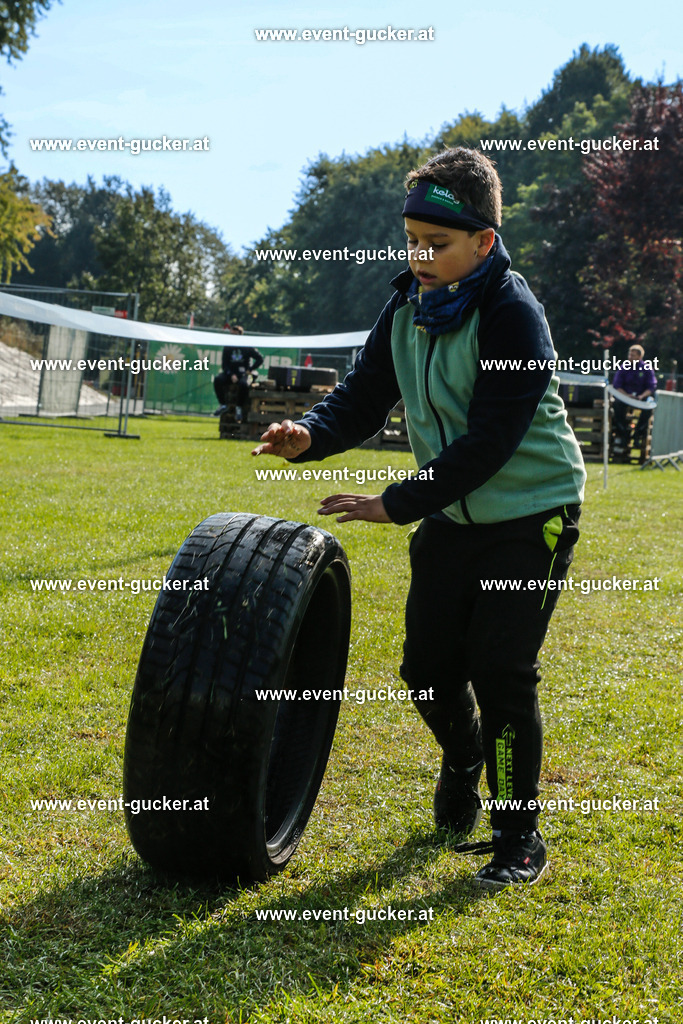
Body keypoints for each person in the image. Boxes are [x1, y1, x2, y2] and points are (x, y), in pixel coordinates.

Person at [252, 147, 586, 889]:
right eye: (411, 241)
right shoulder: (406, 305)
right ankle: (465, 754)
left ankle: (517, 837)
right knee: (426, 669)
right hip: (452, 515)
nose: (420, 256)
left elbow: (490, 442)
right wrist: (308, 434)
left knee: (501, 672)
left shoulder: (512, 316)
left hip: (529, 514)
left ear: (484, 243)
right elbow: (363, 395)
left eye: (436, 244)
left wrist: (395, 502)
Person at [611, 343, 657, 456]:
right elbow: (616, 385)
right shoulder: (624, 367)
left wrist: (641, 396)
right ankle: (623, 431)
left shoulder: (647, 368)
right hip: (625, 397)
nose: (630, 357)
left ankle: (638, 433)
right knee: (616, 404)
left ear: (640, 357)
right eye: (629, 355)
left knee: (648, 408)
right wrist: (626, 395)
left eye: (633, 355)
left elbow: (651, 386)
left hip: (641, 398)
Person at [213, 326, 264, 420]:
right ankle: (223, 404)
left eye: (234, 334)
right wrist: (231, 374)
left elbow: (260, 359)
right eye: (231, 334)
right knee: (218, 379)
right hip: (231, 373)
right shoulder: (227, 347)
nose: (232, 336)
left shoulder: (247, 346)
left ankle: (239, 407)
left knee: (244, 384)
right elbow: (224, 364)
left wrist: (251, 369)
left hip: (243, 374)